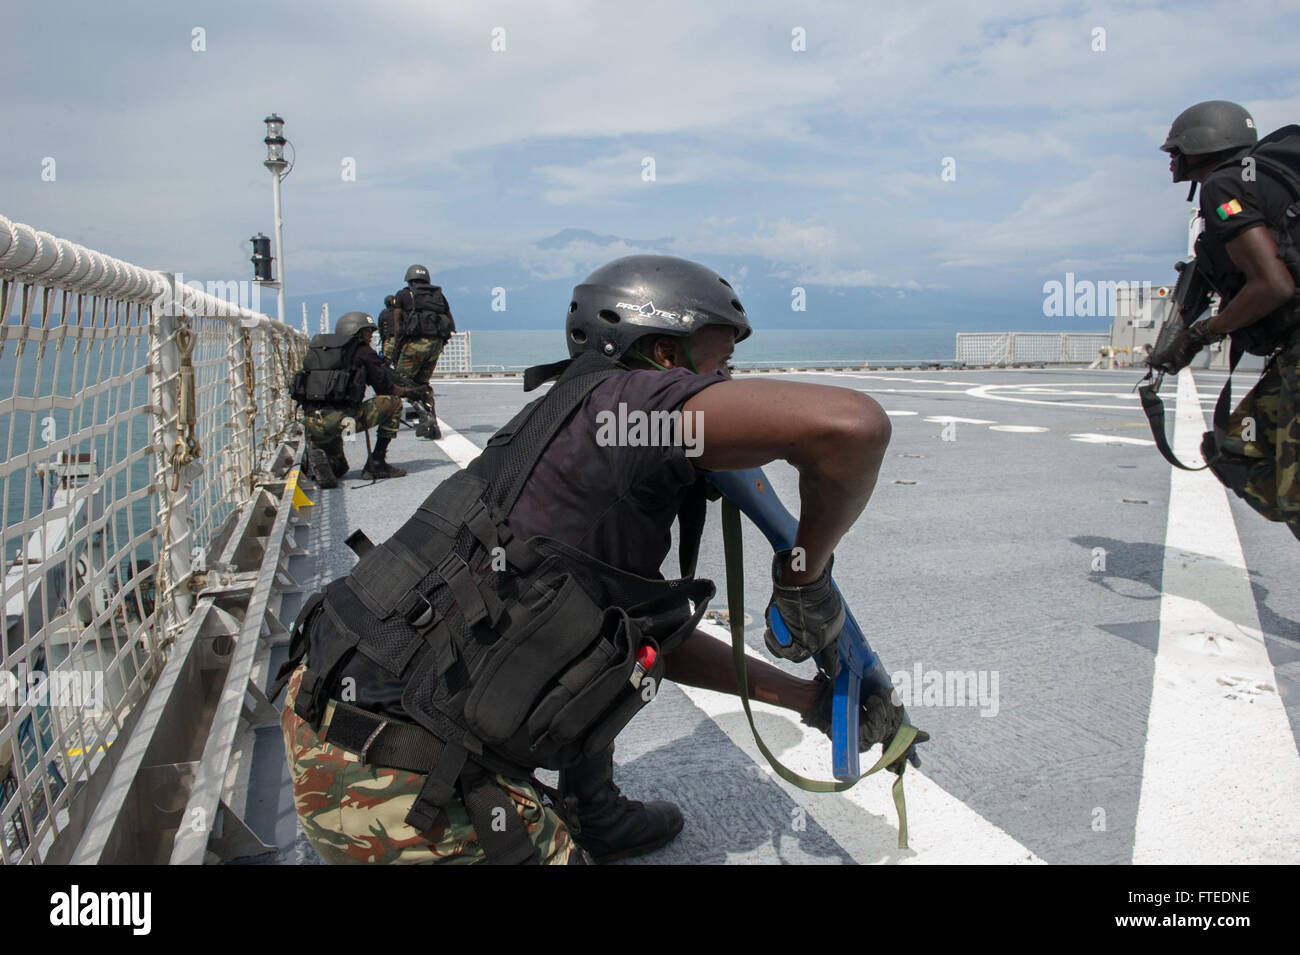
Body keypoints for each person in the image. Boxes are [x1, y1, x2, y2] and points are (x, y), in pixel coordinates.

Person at [275, 256, 914, 864]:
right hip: (399, 785)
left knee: (603, 644)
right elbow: (851, 426)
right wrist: (803, 575)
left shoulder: (565, 423)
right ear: (665, 356)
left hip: (327, 713)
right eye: (722, 364)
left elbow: (630, 635)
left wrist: (807, 700)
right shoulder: (628, 406)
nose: (728, 385)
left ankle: (593, 808)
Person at [1152, 100, 1300, 538]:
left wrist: (1202, 333)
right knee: (1232, 448)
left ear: (1204, 146)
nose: (1172, 161)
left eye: (1177, 151)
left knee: (1294, 497)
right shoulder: (1269, 183)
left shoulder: (1224, 186)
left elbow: (1272, 285)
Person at [291, 310, 414, 487]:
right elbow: (385, 388)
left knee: (340, 469)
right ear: (355, 331)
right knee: (392, 402)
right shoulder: (362, 350)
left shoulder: (318, 349)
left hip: (311, 421)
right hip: (342, 420)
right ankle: (377, 463)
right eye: (367, 331)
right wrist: (408, 392)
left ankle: (319, 463)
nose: (371, 335)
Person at [393, 264, 455, 440]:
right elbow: (451, 321)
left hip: (414, 345)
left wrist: (397, 347)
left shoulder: (404, 294)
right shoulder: (438, 295)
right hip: (435, 345)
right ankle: (433, 426)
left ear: (409, 279)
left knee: (401, 381)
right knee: (423, 384)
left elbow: (397, 324)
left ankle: (423, 415)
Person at [376, 294, 400, 363]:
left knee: (385, 364)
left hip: (389, 341)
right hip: (400, 342)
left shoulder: (383, 314)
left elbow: (381, 329)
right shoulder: (400, 312)